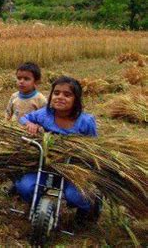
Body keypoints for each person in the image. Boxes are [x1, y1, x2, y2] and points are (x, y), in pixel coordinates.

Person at [15, 76, 99, 222]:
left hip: (72, 170)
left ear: (76, 100)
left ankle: (91, 206)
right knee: (25, 187)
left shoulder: (85, 121)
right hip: (46, 166)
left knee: (76, 197)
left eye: (67, 95)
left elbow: (94, 147)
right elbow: (24, 118)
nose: (60, 97)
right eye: (56, 93)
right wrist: (29, 124)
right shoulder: (45, 115)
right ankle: (37, 205)